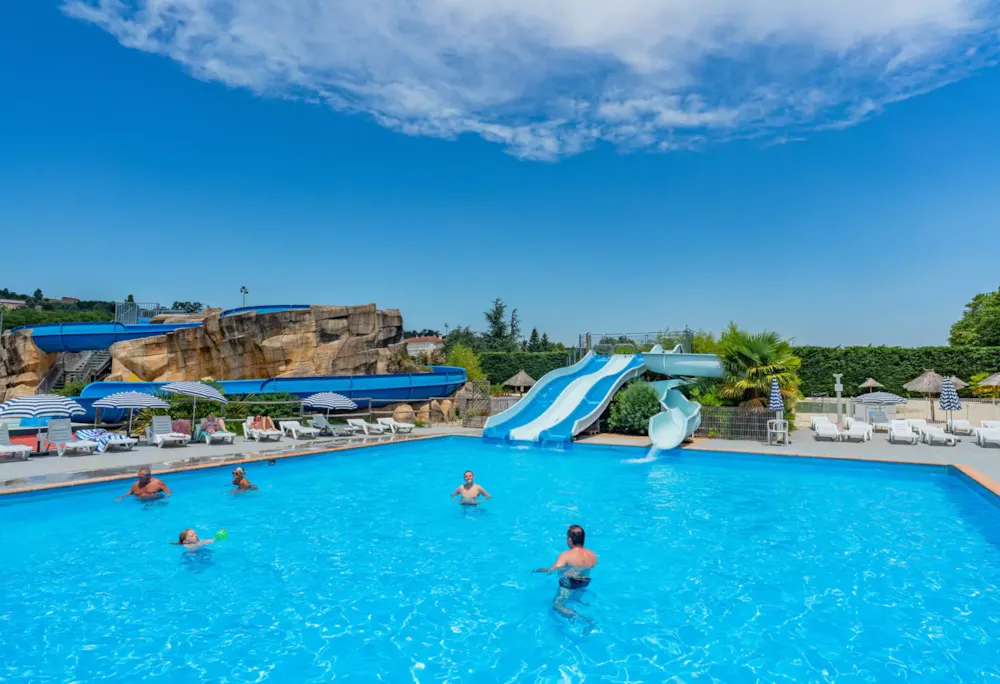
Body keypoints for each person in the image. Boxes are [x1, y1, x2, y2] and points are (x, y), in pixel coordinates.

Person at [534, 525, 597, 621]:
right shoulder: (592, 554)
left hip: (570, 583)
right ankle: (582, 609)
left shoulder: (566, 555)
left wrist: (538, 570)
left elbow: (553, 570)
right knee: (576, 598)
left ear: (570, 540)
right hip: (585, 581)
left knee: (557, 605)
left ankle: (580, 618)